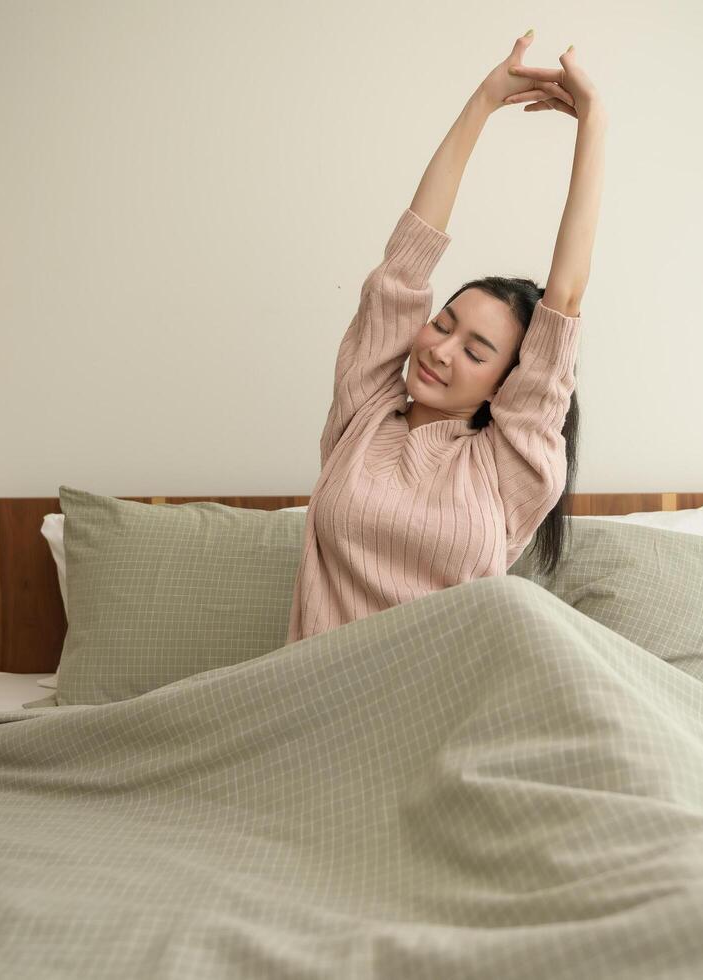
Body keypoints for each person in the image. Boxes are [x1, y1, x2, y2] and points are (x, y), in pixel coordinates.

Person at [287, 30, 605, 644]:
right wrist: (483, 101)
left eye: (476, 351)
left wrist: (593, 123)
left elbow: (563, 300)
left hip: (454, 709)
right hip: (321, 705)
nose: (439, 348)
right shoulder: (364, 416)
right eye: (443, 323)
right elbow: (404, 266)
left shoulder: (506, 468)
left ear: (508, 386)